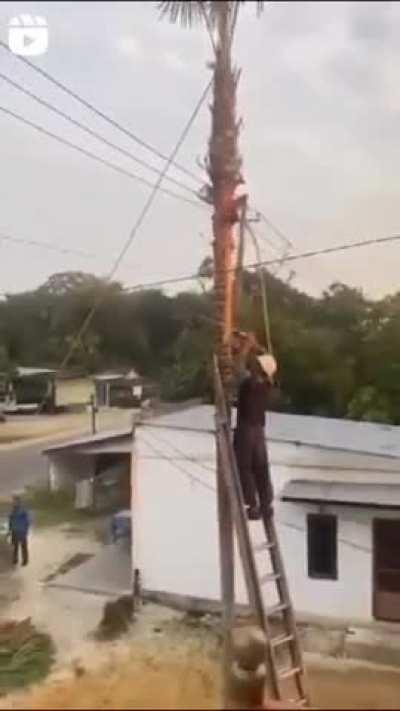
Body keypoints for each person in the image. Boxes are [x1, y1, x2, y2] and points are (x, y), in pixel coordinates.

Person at [233, 350, 277, 521]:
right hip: (259, 430)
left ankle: (252, 505)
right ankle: (266, 504)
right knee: (261, 467)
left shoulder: (249, 383)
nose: (254, 365)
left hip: (247, 429)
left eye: (257, 364)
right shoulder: (265, 385)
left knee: (245, 467)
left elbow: (239, 372)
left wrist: (246, 347)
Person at [8, 495, 30, 566]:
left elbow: (27, 521)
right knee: (15, 546)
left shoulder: (23, 510)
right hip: (14, 531)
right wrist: (9, 530)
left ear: (19, 502)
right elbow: (10, 521)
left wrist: (26, 530)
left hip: (22, 531)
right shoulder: (12, 511)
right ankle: (15, 559)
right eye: (13, 501)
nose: (14, 502)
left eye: (15, 501)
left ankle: (25, 560)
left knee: (23, 547)